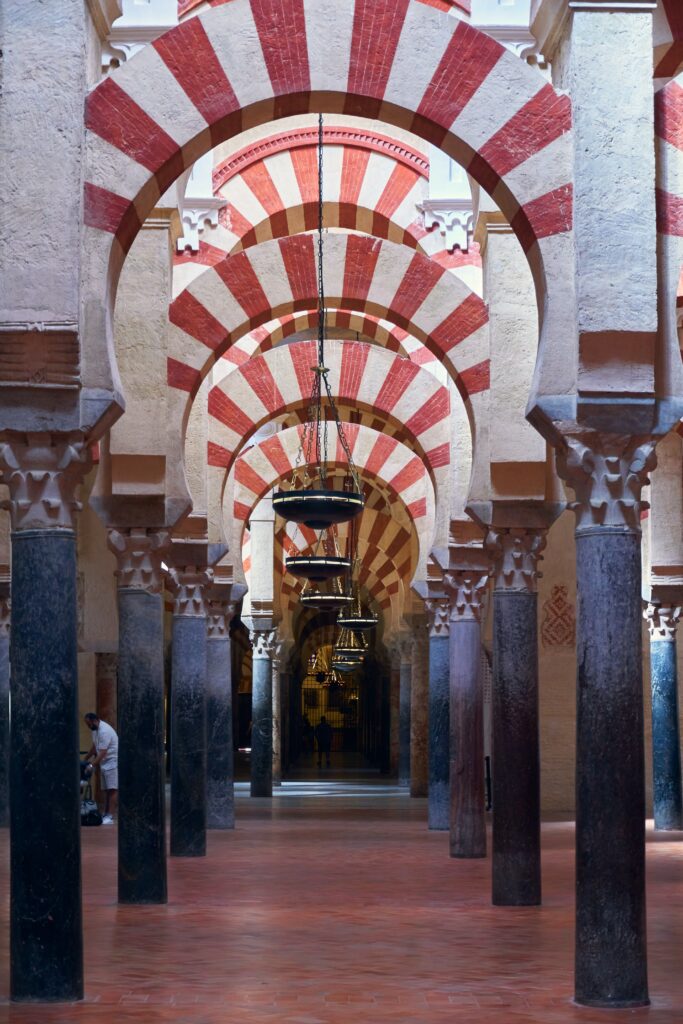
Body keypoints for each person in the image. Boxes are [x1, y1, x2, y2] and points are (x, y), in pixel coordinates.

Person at [84, 713, 118, 824]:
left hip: (112, 762)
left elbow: (103, 752)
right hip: (104, 763)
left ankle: (111, 816)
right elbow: (95, 747)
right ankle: (106, 813)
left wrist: (91, 765)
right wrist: (86, 758)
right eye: (87, 724)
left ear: (96, 720)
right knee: (107, 790)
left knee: (112, 789)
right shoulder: (95, 730)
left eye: (89, 724)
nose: (89, 726)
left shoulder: (104, 731)